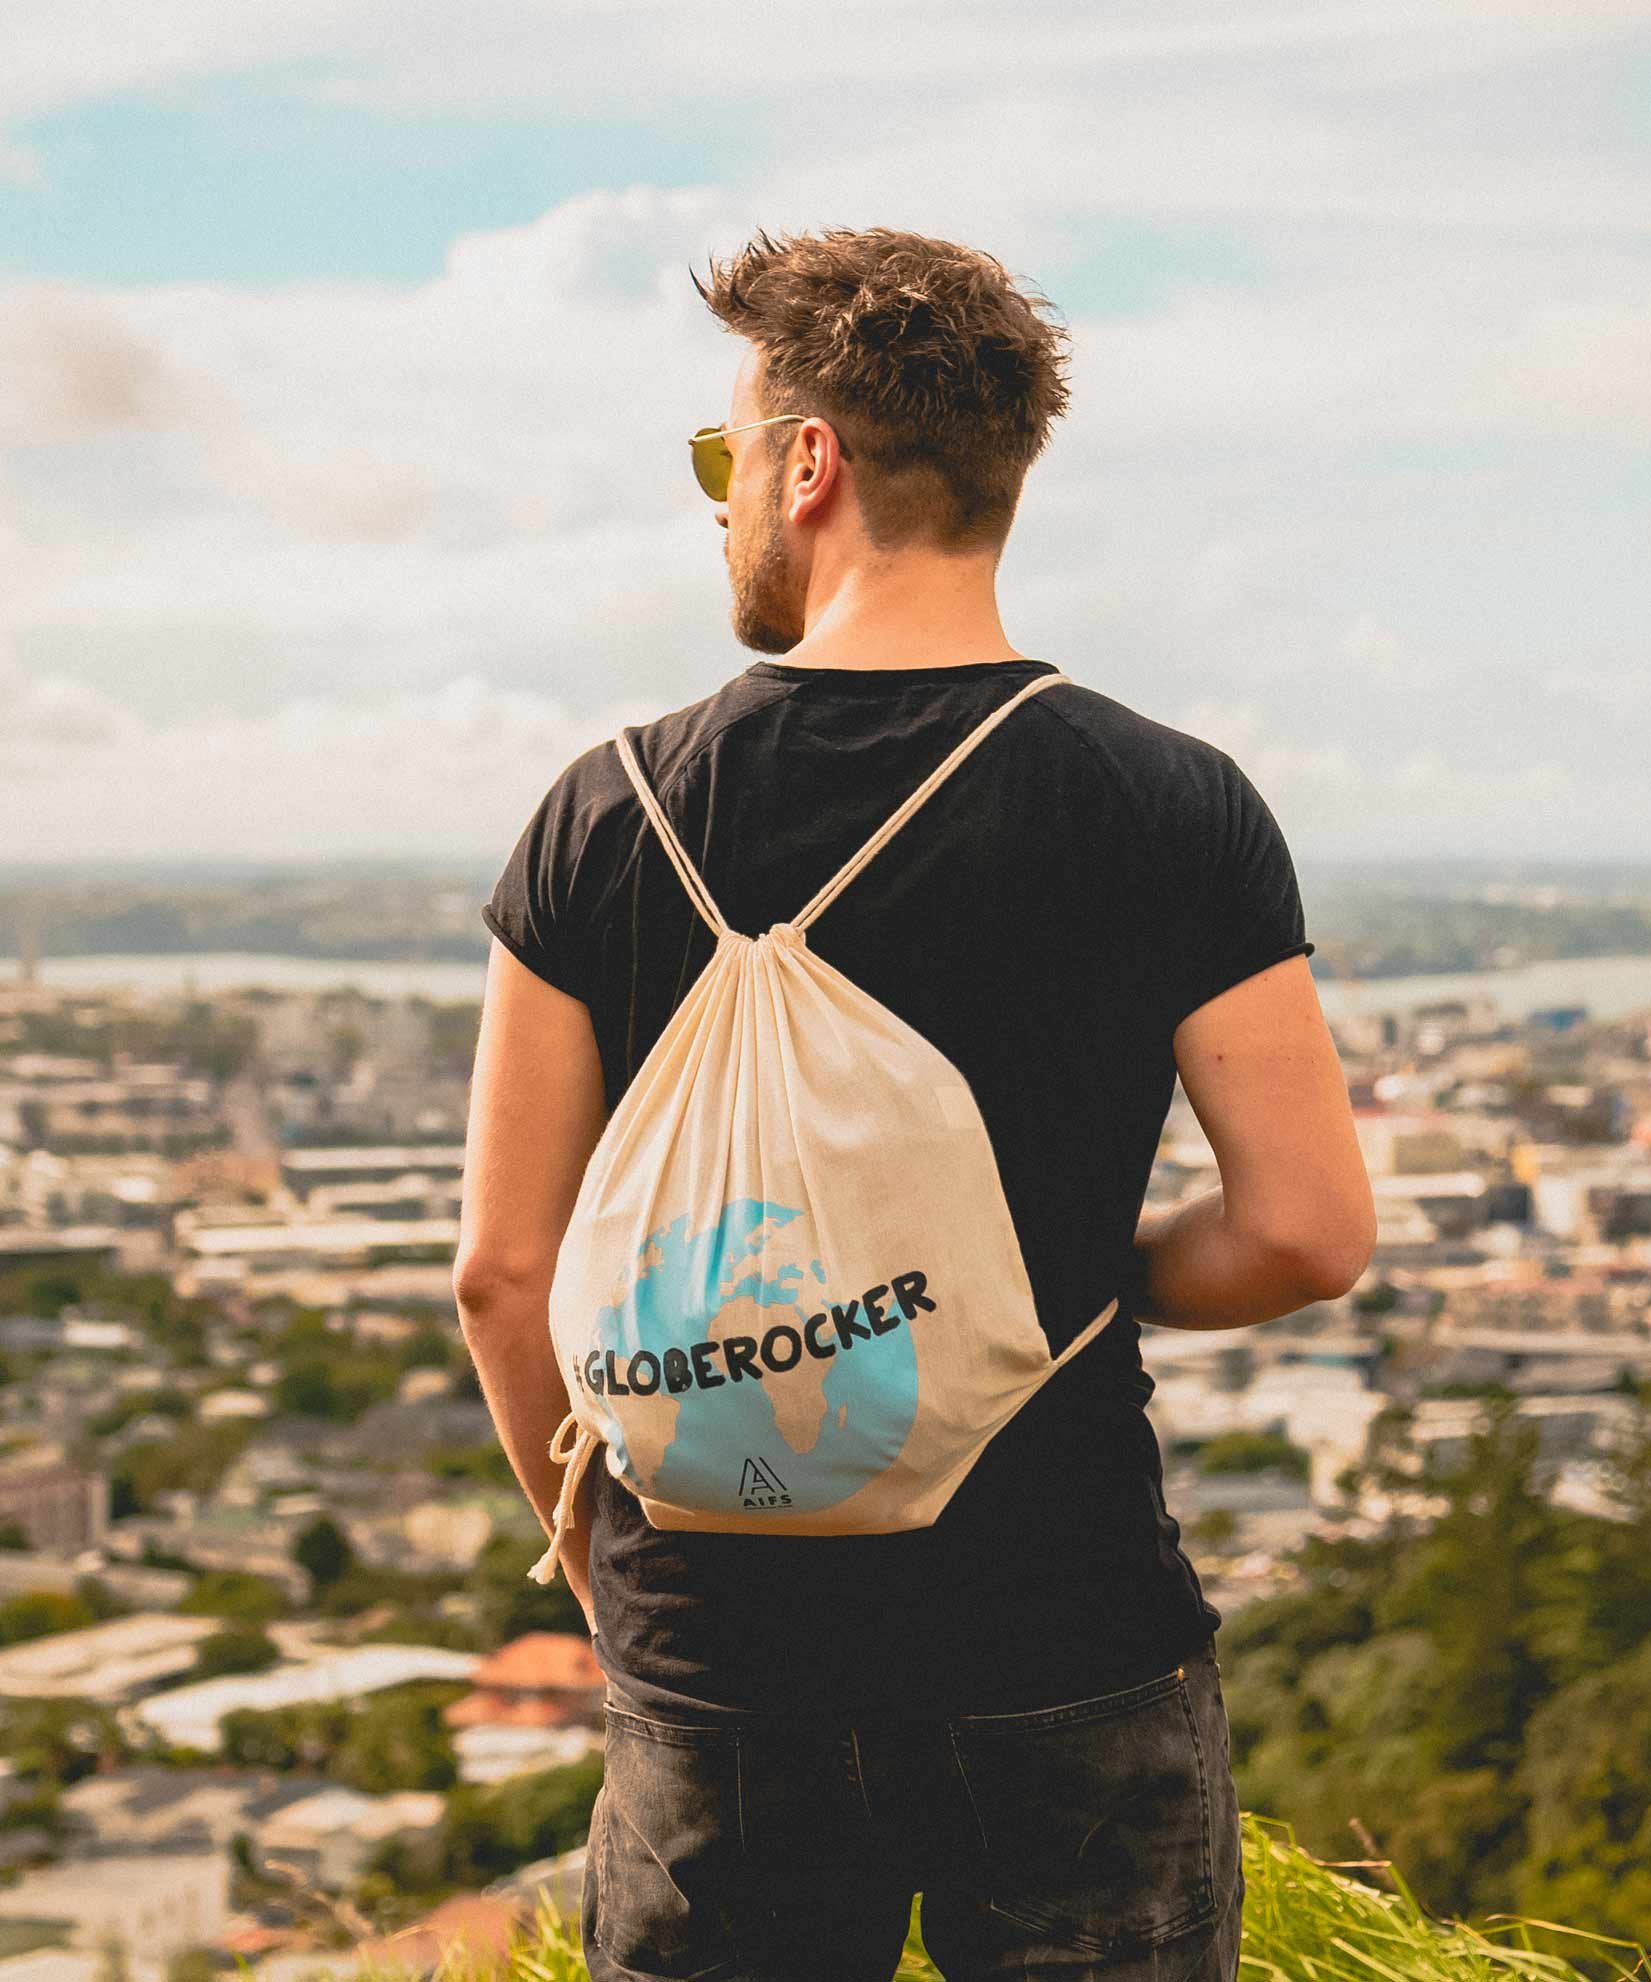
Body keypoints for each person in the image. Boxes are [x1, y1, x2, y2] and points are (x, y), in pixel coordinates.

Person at [455, 226, 1374, 1982]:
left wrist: (602, 1574)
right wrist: (1066, 1272)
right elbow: (1307, 1230)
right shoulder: (1169, 803)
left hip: (717, 1663)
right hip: (1063, 1634)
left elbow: (505, 1273)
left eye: (726, 459)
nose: (720, 501)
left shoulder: (601, 812)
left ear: (811, 468)